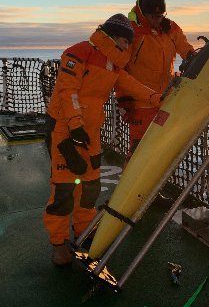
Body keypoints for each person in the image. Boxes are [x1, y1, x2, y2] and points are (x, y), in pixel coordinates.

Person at [44, 14, 162, 266]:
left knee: (89, 187)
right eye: (124, 41)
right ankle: (58, 244)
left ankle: (84, 232)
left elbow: (131, 84)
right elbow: (68, 92)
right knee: (64, 190)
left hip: (91, 133)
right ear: (113, 37)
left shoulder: (113, 65)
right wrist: (75, 126)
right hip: (65, 131)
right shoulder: (78, 53)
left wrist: (156, 98)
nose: (126, 47)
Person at [116, 0, 195, 157]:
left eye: (161, 16)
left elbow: (185, 48)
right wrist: (123, 99)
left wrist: (193, 56)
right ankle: (132, 183)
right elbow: (119, 69)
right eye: (153, 17)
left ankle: (159, 183)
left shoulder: (170, 28)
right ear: (144, 13)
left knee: (164, 150)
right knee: (139, 151)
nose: (158, 21)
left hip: (166, 99)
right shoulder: (131, 32)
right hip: (140, 104)